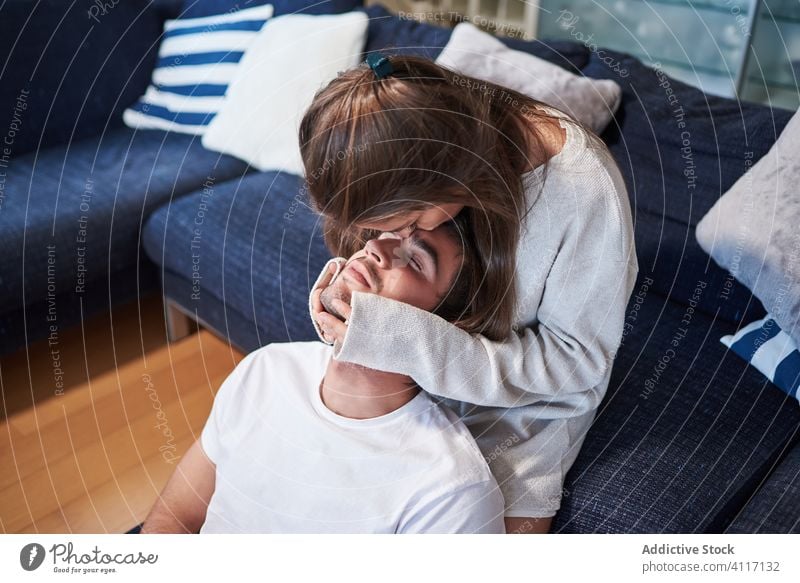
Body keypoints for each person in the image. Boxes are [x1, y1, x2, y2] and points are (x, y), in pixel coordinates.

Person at [301, 53, 640, 534]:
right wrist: (349, 298)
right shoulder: (404, 135)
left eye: (408, 225)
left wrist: (404, 339)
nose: (383, 244)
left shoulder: (585, 195)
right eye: (376, 231)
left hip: (529, 403)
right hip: (404, 375)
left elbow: (578, 363)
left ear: (457, 173)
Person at [140, 218, 507, 533]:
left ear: (443, 330)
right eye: (387, 231)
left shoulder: (449, 491)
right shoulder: (265, 370)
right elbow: (176, 517)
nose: (376, 246)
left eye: (414, 260)